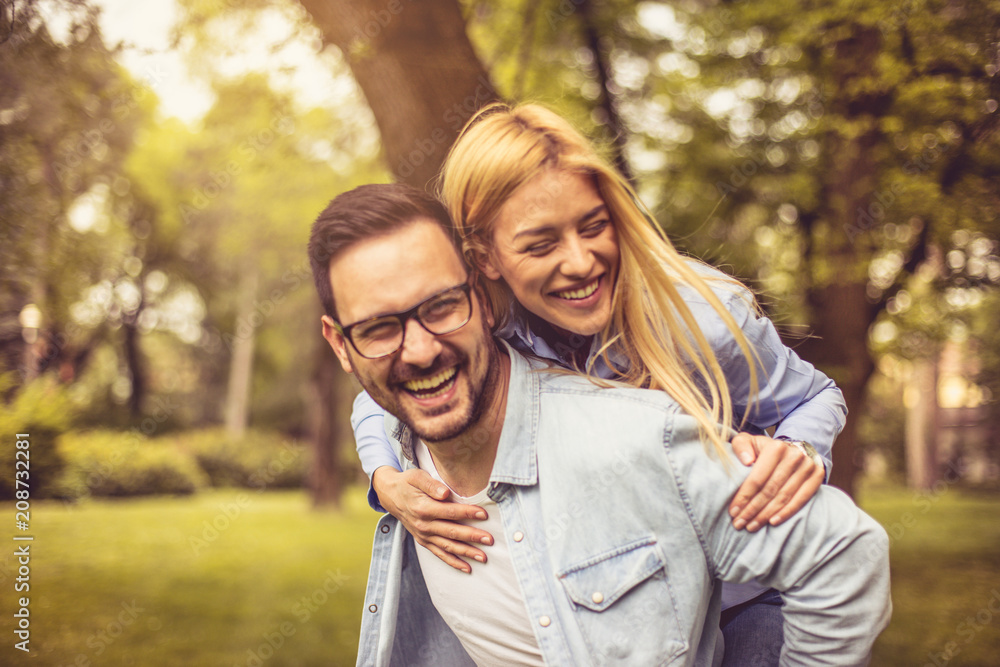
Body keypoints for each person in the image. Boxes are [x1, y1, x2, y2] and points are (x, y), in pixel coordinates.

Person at [307, 183, 891, 666]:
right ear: (492, 268)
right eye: (378, 328)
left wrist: (796, 452)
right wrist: (384, 475)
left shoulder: (695, 329)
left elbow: (840, 547)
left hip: (750, 584)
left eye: (590, 228)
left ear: (476, 298)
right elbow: (386, 397)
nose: (578, 262)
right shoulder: (487, 355)